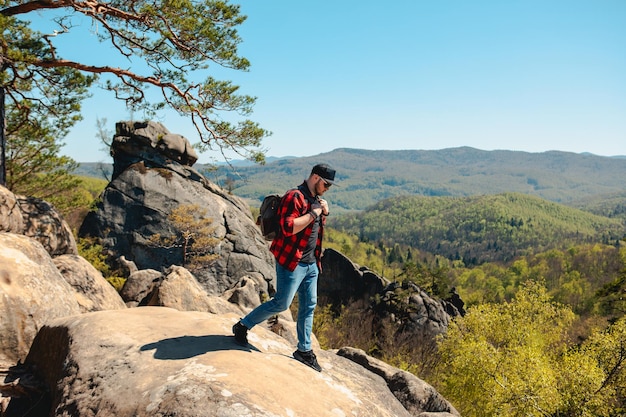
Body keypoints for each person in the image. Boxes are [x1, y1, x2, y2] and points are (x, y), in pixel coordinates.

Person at [232, 163, 338, 372]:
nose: (327, 189)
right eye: (326, 185)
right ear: (316, 178)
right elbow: (288, 228)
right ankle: (243, 326)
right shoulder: (294, 197)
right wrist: (315, 214)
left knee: (309, 305)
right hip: (292, 262)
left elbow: (314, 228)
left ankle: (304, 351)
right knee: (281, 303)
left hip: (311, 264)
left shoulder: (315, 200)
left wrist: (323, 211)